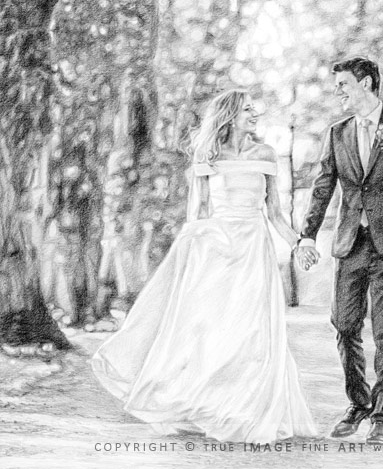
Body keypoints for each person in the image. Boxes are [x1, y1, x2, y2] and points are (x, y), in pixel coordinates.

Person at [91, 89, 318, 443]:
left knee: (255, 331)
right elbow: (196, 214)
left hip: (254, 250)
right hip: (215, 250)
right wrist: (190, 255)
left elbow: (274, 213)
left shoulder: (265, 154)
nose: (255, 114)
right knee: (210, 328)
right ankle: (206, 403)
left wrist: (299, 242)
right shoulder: (206, 155)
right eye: (247, 110)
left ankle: (249, 411)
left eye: (254, 109)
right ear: (229, 116)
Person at [296, 57, 383, 445]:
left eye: (343, 84)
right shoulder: (337, 132)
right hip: (350, 245)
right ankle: (358, 403)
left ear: (367, 83)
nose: (338, 92)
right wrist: (307, 236)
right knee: (344, 324)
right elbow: (323, 186)